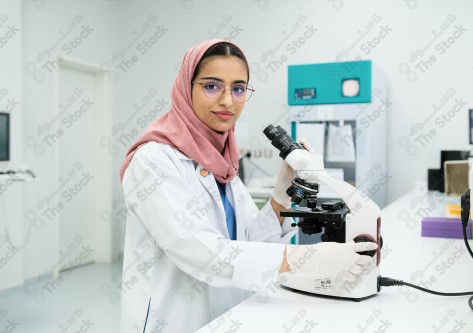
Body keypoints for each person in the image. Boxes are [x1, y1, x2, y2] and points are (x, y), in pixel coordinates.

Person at [119, 39, 377, 333]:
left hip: (229, 315)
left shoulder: (223, 163)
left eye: (238, 88)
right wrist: (308, 260)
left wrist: (281, 196)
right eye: (212, 86)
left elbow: (251, 243)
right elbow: (203, 254)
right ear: (185, 89)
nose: (228, 101)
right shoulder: (153, 160)